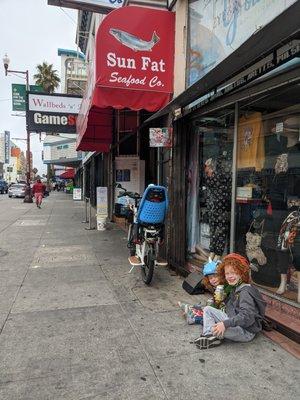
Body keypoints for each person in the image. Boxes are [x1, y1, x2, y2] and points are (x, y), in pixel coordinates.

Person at [194, 253, 266, 349]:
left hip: (245, 331)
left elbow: (247, 316)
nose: (230, 276)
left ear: (242, 273)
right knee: (207, 309)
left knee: (213, 327)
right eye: (227, 273)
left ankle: (211, 335)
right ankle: (209, 336)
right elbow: (230, 306)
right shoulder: (235, 287)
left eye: (234, 272)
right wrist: (222, 299)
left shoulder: (245, 292)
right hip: (234, 320)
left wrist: (225, 324)